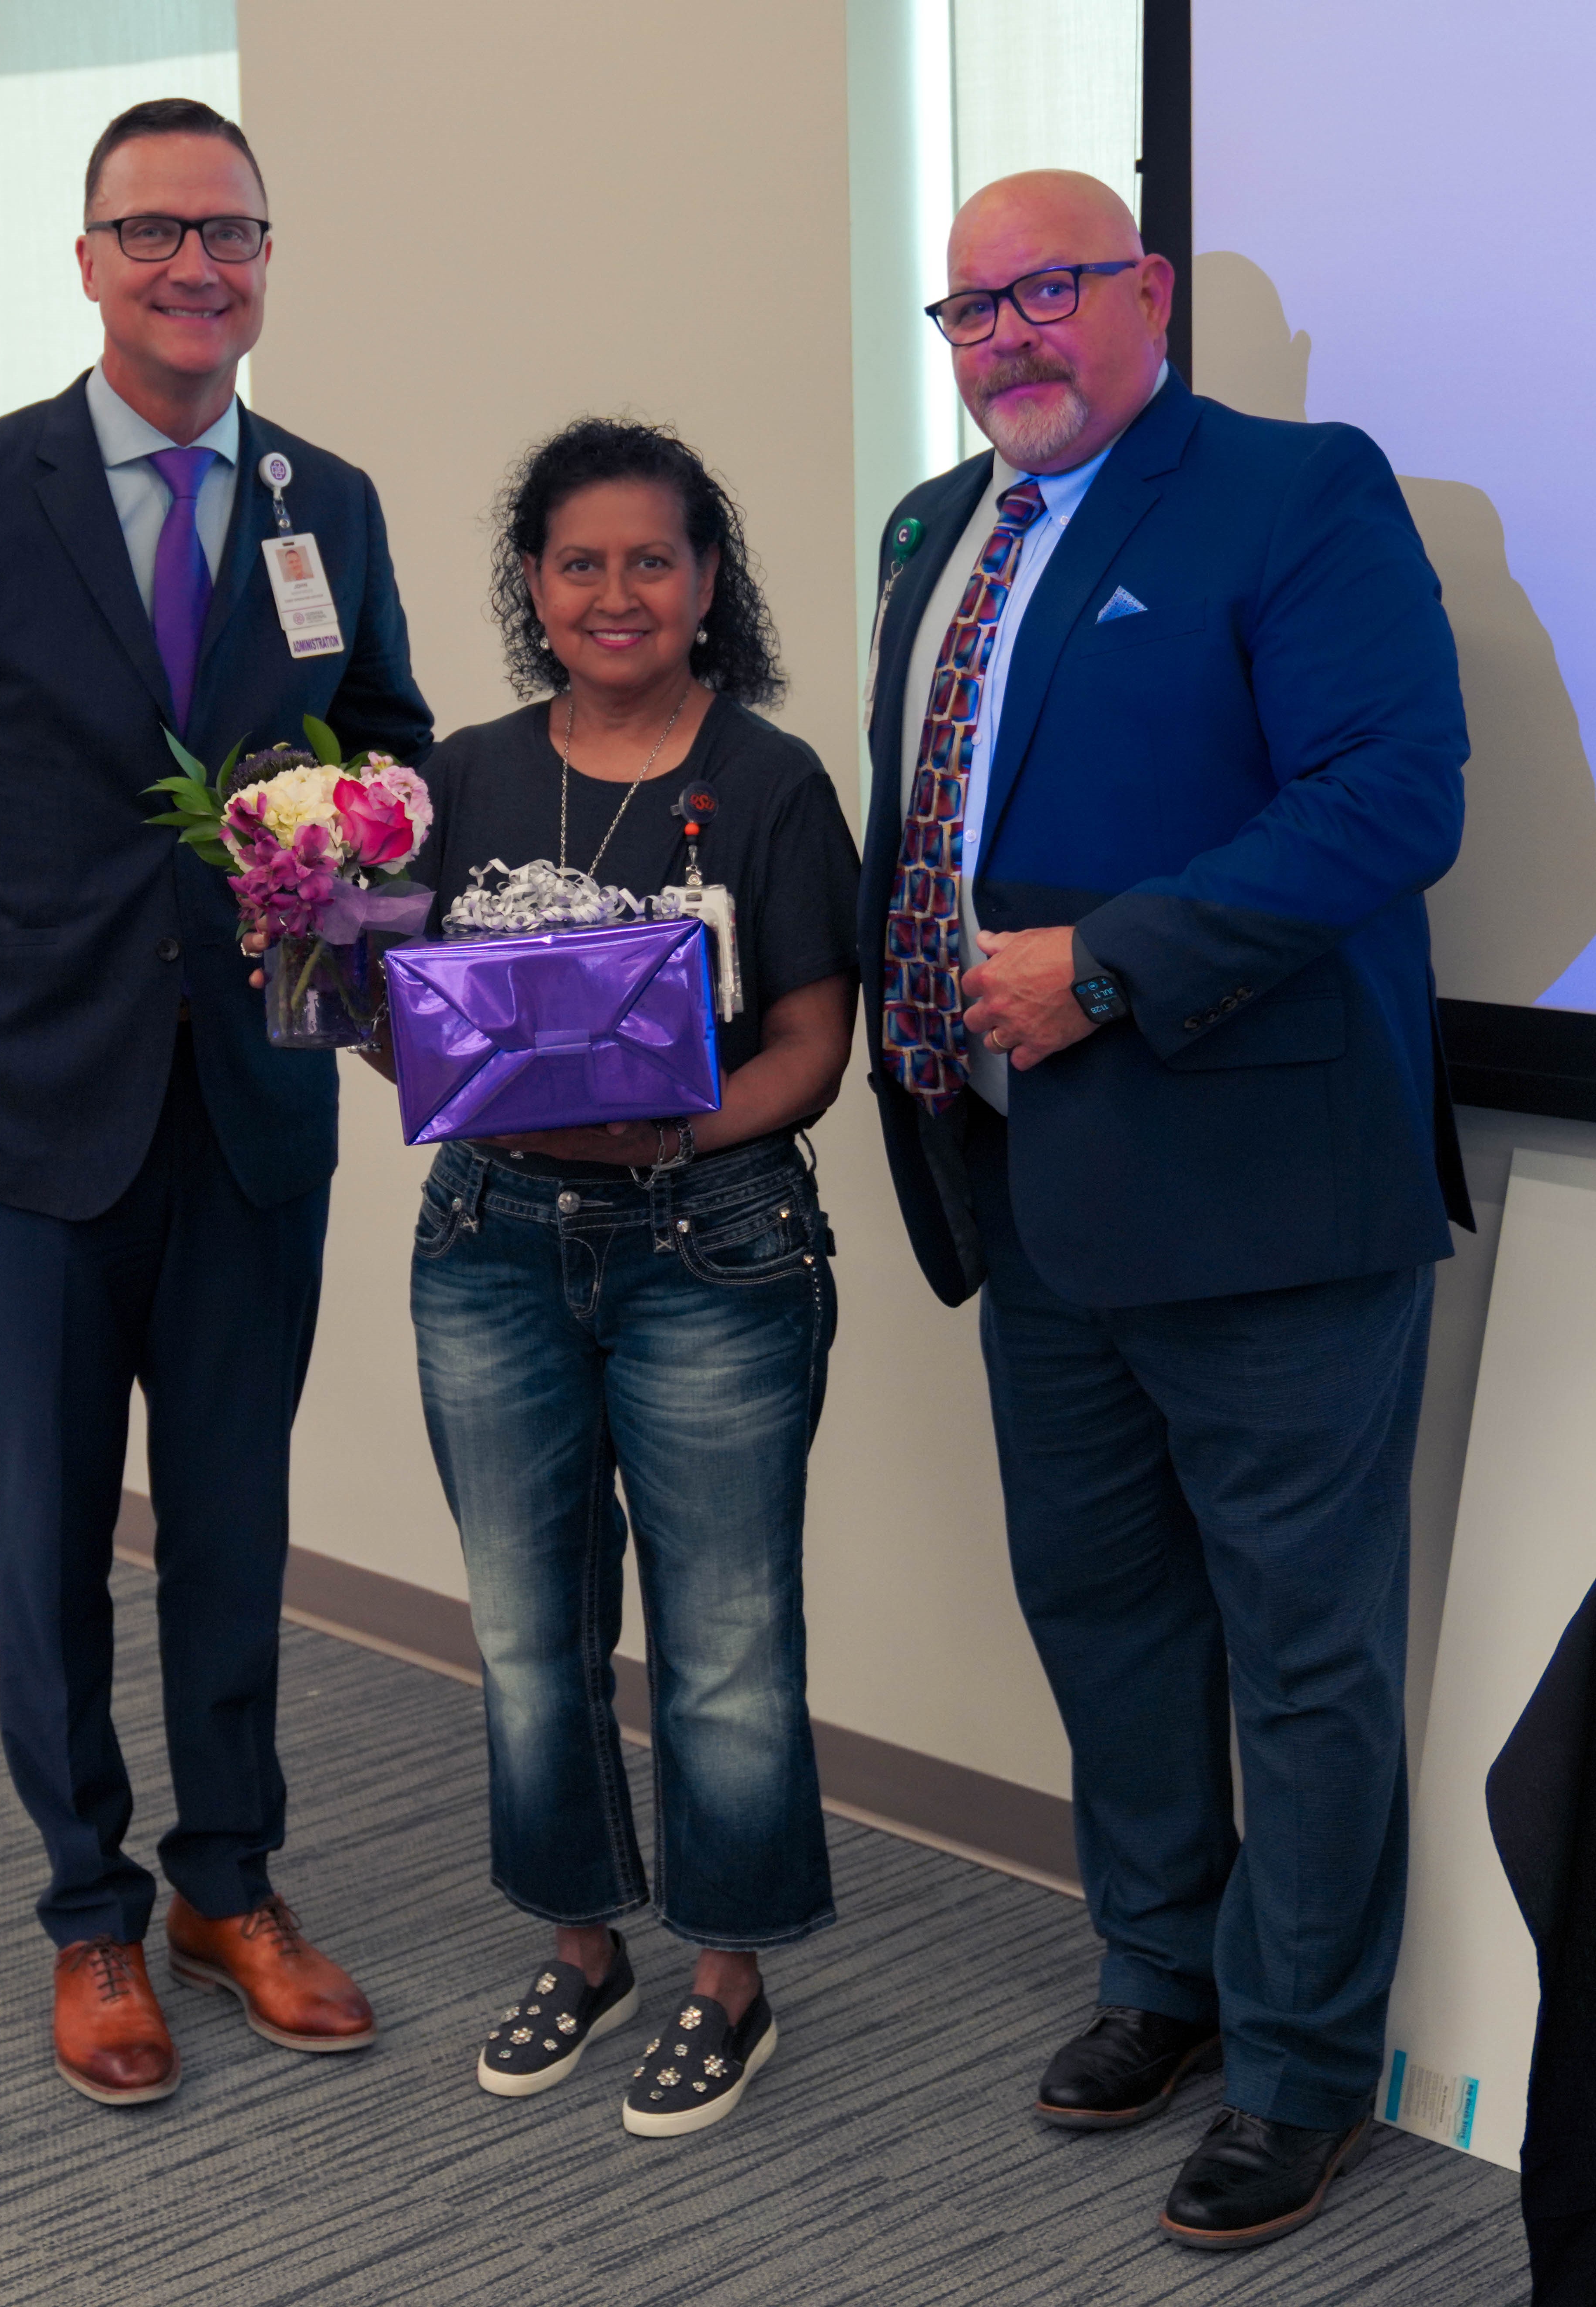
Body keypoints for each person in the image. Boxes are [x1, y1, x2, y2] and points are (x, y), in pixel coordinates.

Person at [859, 171, 1469, 2249]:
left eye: (1043, 290)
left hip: (1261, 1190)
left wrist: (1108, 963)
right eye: (966, 309)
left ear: (1143, 293)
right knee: (1101, 1611)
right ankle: (1161, 1973)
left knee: (1298, 1652)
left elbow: (1388, 792)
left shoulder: (1294, 491)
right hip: (1018, 1174)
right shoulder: (929, 530)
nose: (1003, 337)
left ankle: (1296, 2061)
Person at [0, 99, 432, 2105]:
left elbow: (389, 759)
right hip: (25, 1113)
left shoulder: (326, 501)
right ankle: (87, 1907)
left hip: (248, 1100)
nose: (195, 265)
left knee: (234, 1520)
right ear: (85, 261)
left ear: (265, 260)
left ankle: (224, 1882)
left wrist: (355, 921)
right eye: (154, 231)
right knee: (50, 1532)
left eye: (229, 231)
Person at [401, 418, 859, 2135]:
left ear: (706, 580)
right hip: (487, 1245)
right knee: (528, 1633)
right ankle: (581, 1944)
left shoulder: (770, 780)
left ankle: (728, 1977)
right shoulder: (458, 776)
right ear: (531, 586)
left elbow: (812, 1044)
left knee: (723, 1643)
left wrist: (660, 1135)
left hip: (711, 1247)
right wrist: (315, 965)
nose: (616, 593)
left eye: (651, 560)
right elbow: (411, 1032)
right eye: (579, 563)